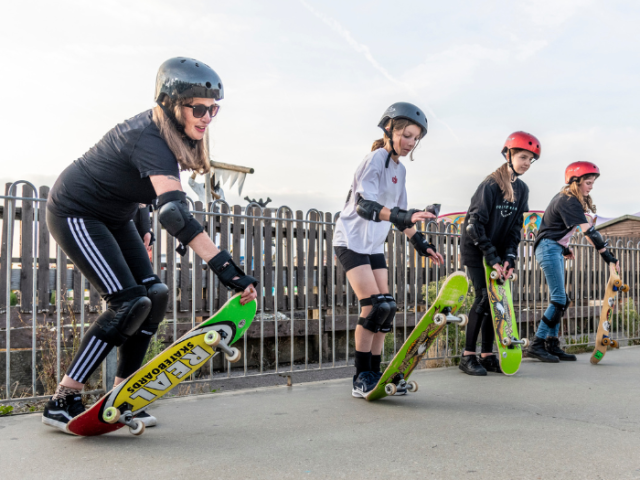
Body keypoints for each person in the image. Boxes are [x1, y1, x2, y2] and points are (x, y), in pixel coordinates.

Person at [42, 57, 258, 433]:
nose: (208, 117)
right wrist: (227, 269)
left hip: (116, 214)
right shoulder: (150, 136)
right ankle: (63, 397)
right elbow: (173, 214)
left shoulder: (172, 136)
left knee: (154, 294)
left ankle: (124, 393)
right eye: (200, 108)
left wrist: (141, 224)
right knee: (128, 302)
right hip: (75, 211)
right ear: (172, 104)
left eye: (214, 109)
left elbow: (140, 188)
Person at [333, 102, 444, 398]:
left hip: (372, 245)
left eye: (415, 138)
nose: (410, 143)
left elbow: (401, 213)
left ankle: (376, 372)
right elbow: (365, 206)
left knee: (388, 308)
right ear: (388, 130)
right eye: (406, 135)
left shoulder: (400, 170)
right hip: (350, 240)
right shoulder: (375, 160)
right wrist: (403, 216)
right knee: (374, 306)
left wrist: (422, 244)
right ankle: (361, 377)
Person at [459, 131, 538, 375]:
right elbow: (474, 225)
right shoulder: (491, 184)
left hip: (496, 253)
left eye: (530, 159)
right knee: (483, 298)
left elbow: (515, 229)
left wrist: (510, 258)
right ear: (508, 154)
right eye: (522, 156)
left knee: (497, 303)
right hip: (476, 248)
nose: (526, 162)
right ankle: (467, 356)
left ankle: (486, 354)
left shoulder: (522, 189)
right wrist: (492, 257)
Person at [526, 162, 619, 362]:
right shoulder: (568, 200)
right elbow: (589, 232)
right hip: (549, 248)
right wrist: (609, 258)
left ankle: (552, 344)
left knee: (562, 300)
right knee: (559, 299)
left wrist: (565, 247)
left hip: (553, 248)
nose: (591, 186)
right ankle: (537, 343)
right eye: (588, 182)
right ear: (575, 182)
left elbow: (554, 226)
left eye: (593, 182)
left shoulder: (568, 199)